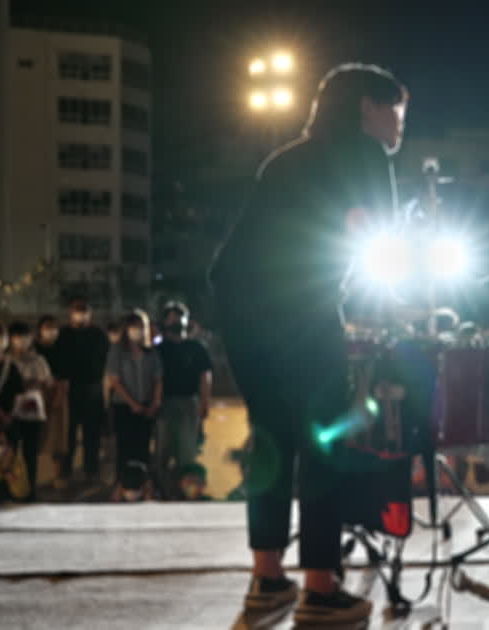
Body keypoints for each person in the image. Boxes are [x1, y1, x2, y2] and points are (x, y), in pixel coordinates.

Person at [210, 63, 407, 624]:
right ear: (367, 107)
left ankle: (267, 579)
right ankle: (320, 587)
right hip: (297, 309)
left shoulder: (286, 158)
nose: (399, 126)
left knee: (271, 439)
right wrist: (392, 301)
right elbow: (376, 234)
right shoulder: (366, 153)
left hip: (239, 309)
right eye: (396, 112)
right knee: (322, 443)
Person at [154, 302, 213, 499]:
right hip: (164, 403)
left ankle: (185, 492)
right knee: (162, 450)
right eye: (171, 319)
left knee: (187, 451)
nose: (176, 323)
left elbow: (205, 377)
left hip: (189, 403)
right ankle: (161, 491)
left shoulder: (196, 347)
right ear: (165, 322)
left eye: (179, 319)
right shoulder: (159, 349)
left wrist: (205, 402)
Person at [56, 297, 111, 483]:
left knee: (92, 433)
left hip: (92, 388)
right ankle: (65, 470)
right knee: (68, 433)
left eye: (84, 310)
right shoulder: (63, 334)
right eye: (77, 310)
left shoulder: (98, 334)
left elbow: (106, 359)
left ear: (90, 313)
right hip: (68, 389)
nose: (80, 314)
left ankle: (91, 470)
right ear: (70, 313)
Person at [106, 312, 163, 481]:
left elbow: (158, 378)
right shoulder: (117, 350)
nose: (137, 330)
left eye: (140, 326)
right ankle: (122, 483)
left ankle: (142, 484)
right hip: (124, 406)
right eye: (133, 326)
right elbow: (114, 380)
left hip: (147, 406)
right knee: (125, 447)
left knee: (143, 447)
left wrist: (155, 402)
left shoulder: (151, 352)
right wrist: (132, 404)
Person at [7, 322, 53, 499]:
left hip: (32, 412)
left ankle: (30, 488)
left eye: (24, 337)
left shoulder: (38, 360)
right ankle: (11, 488)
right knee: (10, 450)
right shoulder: (7, 360)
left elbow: (47, 383)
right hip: (10, 411)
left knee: (31, 452)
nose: (21, 341)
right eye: (17, 337)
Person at [34, 316, 70, 490]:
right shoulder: (34, 349)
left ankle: (58, 475)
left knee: (58, 436)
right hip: (36, 394)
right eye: (47, 327)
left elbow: (66, 377)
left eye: (54, 328)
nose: (51, 331)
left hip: (58, 392)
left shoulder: (63, 349)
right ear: (40, 329)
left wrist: (58, 397)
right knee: (35, 436)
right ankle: (31, 475)